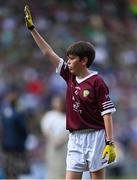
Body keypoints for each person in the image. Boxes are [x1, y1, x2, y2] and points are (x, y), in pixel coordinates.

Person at [24, 5, 116, 180]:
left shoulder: (97, 82)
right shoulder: (69, 76)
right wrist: (32, 29)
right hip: (74, 138)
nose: (68, 62)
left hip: (95, 136)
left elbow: (107, 114)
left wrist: (110, 142)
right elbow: (47, 52)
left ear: (84, 60)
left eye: (72, 58)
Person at [0, 90, 30, 179]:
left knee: (8, 171)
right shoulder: (19, 115)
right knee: (16, 171)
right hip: (17, 147)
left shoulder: (4, 114)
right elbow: (24, 130)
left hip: (6, 146)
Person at [40, 95, 69, 179]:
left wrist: (62, 140)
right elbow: (46, 129)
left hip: (65, 146)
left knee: (64, 168)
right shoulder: (50, 115)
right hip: (52, 145)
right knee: (52, 168)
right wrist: (54, 140)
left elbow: (71, 132)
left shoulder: (67, 116)